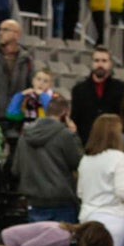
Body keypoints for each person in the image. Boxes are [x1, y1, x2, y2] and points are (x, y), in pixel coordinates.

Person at [76, 113, 124, 246]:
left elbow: (80, 192)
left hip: (88, 218)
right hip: (113, 217)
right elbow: (123, 192)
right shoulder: (118, 157)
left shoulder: (86, 159)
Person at [14, 95, 82, 223]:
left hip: (34, 199)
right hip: (61, 199)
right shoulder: (66, 135)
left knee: (38, 235)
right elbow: (78, 162)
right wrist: (74, 134)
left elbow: (16, 169)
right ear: (65, 113)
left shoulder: (24, 136)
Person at [69, 45, 124, 144]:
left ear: (110, 64)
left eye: (104, 61)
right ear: (91, 63)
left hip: (111, 142)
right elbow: (74, 118)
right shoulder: (79, 90)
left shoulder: (121, 88)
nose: (100, 64)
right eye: (96, 60)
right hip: (85, 143)